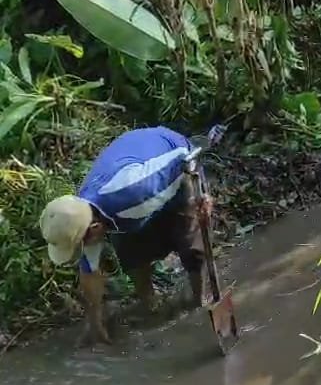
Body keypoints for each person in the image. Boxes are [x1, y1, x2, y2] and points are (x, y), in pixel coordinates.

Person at [39, 126, 211, 345]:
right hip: (135, 191)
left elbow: (183, 156)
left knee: (192, 246)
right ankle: (149, 301)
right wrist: (94, 323)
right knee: (131, 251)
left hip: (174, 164)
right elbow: (90, 273)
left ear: (94, 229)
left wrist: (202, 195)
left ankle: (200, 299)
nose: (83, 249)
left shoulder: (137, 190)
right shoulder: (79, 218)